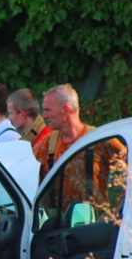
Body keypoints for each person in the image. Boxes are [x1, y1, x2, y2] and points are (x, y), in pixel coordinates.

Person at [32, 84, 126, 219]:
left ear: (65, 110)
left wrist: (116, 211)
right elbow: (26, 177)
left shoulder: (99, 139)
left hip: (92, 227)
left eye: (48, 110)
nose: (44, 115)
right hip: (57, 227)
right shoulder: (46, 144)